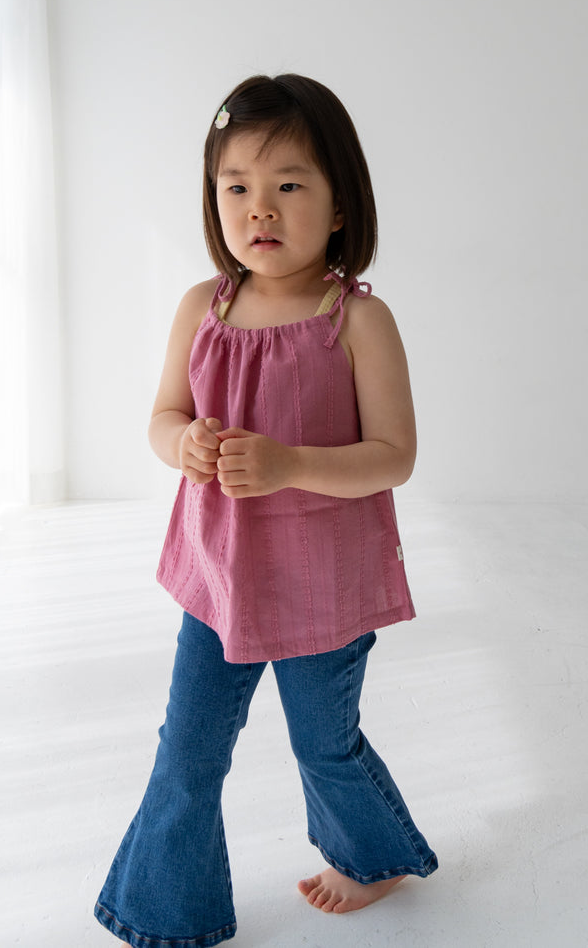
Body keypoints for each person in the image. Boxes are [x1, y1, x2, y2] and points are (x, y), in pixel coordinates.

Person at [94, 74, 438, 947]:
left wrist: (289, 464)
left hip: (323, 587)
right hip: (218, 577)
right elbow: (162, 416)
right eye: (236, 185)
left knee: (324, 744)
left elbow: (394, 454)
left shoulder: (355, 320)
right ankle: (168, 913)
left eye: (288, 184)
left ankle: (374, 858)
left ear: (339, 204)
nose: (260, 208)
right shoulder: (201, 307)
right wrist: (183, 443)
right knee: (188, 749)